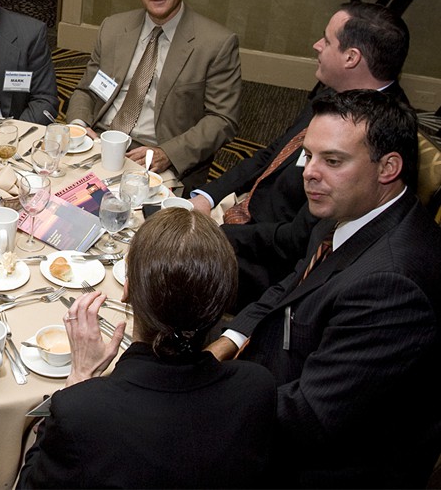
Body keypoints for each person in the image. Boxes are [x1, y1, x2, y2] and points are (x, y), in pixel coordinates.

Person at [207, 90, 441, 488]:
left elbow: (309, 417)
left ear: (388, 167)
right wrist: (228, 340)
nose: (309, 173)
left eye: (332, 161)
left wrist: (205, 400)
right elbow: (291, 285)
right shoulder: (348, 209)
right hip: (286, 365)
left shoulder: (392, 285)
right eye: (309, 156)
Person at [18, 208, 276, 488]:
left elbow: (28, 483)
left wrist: (78, 379)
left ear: (126, 289)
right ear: (222, 304)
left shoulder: (82, 412)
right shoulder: (257, 387)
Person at [189, 2, 410, 309]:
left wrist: (218, 234)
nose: (316, 45)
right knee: (149, 215)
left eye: (327, 39)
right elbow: (271, 154)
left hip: (273, 261)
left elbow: (298, 237)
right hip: (244, 211)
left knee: (162, 267)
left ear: (351, 57)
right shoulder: (333, 93)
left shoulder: (380, 135)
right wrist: (208, 196)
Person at [66, 0, 241, 191]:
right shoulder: (114, 28)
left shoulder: (216, 43)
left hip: (159, 158)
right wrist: (79, 126)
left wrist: (167, 153)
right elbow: (87, 90)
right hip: (101, 141)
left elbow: (222, 119)